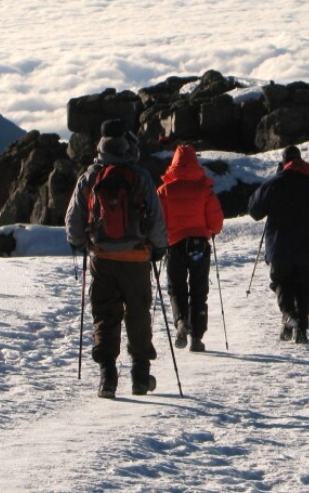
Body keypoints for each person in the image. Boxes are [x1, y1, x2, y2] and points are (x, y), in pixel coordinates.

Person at [65, 119, 168, 399]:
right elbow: (157, 218)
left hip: (102, 258)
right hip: (136, 257)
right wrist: (158, 248)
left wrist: (79, 243)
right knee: (138, 314)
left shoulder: (91, 176)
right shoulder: (139, 175)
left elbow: (73, 220)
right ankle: (140, 376)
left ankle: (107, 378)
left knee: (105, 314)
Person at [248, 145, 309, 344]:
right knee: (304, 285)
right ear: (300, 160)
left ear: (284, 161)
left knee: (281, 282)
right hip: (308, 245)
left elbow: (254, 210)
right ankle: (301, 331)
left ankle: (288, 315)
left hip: (280, 246)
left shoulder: (274, 183)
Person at [156, 144, 225, 352]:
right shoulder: (204, 190)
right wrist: (208, 231)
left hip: (175, 245)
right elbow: (216, 223)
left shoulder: (164, 191)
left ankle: (180, 322)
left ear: (174, 163)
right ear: (195, 162)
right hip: (199, 245)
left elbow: (159, 222)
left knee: (177, 289)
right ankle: (196, 336)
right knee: (198, 290)